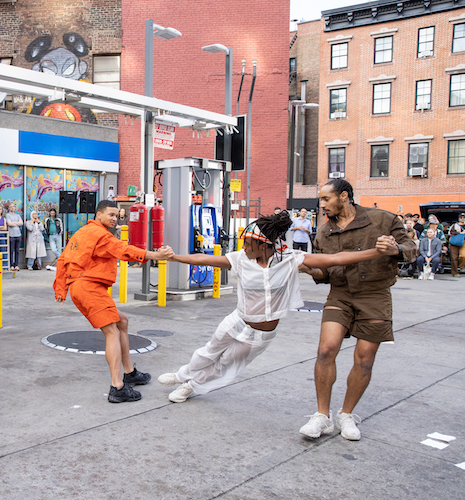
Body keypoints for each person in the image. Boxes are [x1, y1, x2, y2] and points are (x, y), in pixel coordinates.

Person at [157, 212, 385, 404]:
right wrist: (174, 257)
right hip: (236, 321)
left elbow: (335, 259)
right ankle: (180, 375)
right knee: (208, 352)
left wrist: (377, 252)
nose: (244, 247)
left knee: (226, 364)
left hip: (261, 334)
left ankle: (190, 387)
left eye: (248, 243)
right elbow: (203, 259)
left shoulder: (289, 259)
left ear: (264, 245)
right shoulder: (240, 259)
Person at [298, 179, 416, 441]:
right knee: (326, 349)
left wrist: (395, 249)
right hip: (339, 294)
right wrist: (308, 269)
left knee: (364, 359)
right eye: (321, 200)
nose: (322, 205)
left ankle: (346, 414)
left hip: (375, 294)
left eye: (326, 199)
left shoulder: (383, 220)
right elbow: (325, 274)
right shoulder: (323, 232)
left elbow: (411, 249)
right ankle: (321, 416)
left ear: (344, 197)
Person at [53, 200, 174, 403]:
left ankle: (130, 372)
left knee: (122, 322)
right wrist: (156, 255)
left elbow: (62, 259)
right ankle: (117, 386)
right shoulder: (100, 235)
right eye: (110, 214)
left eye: (116, 216)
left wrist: (61, 289)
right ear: (98, 215)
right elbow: (123, 250)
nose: (113, 218)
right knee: (112, 332)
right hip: (89, 287)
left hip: (81, 287)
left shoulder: (81, 232)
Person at [5, 202, 23, 271]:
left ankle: (16, 265)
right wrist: (17, 224)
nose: (13, 208)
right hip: (11, 235)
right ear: (8, 208)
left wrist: (14, 223)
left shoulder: (17, 215)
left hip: (18, 235)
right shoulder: (7, 215)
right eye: (11, 206)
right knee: (11, 251)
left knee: (17, 251)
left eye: (13, 206)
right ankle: (11, 265)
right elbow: (9, 223)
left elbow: (21, 223)